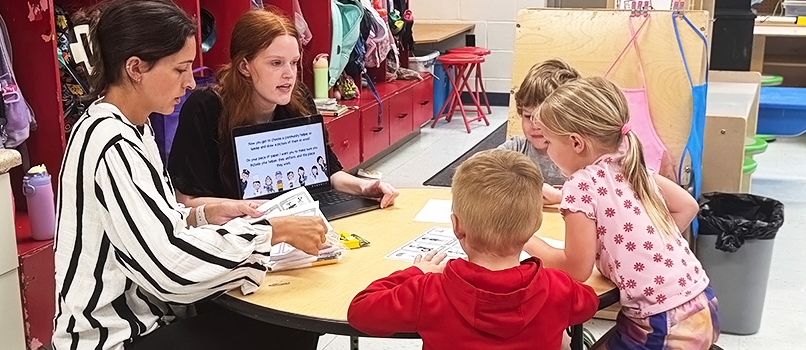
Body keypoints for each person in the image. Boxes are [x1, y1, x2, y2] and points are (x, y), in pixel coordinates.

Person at [52, 2, 327, 350]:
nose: (188, 81)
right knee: (288, 322)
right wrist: (270, 232)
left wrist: (203, 215)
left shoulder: (133, 127)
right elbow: (170, 270)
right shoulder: (112, 143)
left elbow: (147, 224)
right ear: (136, 68)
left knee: (288, 318)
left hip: (151, 317)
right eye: (181, 68)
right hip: (117, 336)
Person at [524, 77, 719, 350]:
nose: (547, 152)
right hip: (702, 303)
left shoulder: (580, 185)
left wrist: (521, 238)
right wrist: (641, 249)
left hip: (661, 324)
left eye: (549, 143)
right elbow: (687, 206)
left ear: (576, 143)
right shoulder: (629, 163)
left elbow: (575, 269)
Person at [348, 149, 600, 349]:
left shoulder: (429, 291)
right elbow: (588, 302)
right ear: (536, 224)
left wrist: (415, 272)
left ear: (457, 226)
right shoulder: (558, 288)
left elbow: (360, 311)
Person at [168, 9, 397, 208]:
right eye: (276, 63)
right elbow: (186, 200)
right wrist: (258, 208)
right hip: (237, 230)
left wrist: (366, 187)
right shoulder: (205, 108)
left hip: (300, 212)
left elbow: (328, 172)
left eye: (294, 62)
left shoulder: (298, 97)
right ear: (244, 66)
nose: (289, 74)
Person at [499, 58, 580, 205]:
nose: (535, 126)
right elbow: (478, 174)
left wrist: (561, 197)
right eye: (528, 116)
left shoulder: (583, 155)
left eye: (543, 118)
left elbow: (607, 197)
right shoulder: (515, 149)